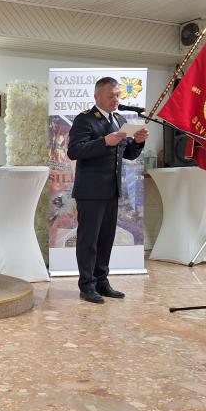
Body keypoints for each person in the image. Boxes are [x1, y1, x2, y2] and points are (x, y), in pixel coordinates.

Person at [67, 76, 148, 304]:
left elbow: (128, 154)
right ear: (97, 97)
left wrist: (138, 142)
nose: (116, 99)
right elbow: (74, 151)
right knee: (89, 241)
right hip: (90, 191)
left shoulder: (120, 119)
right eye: (111, 95)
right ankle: (87, 285)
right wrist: (104, 141)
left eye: (118, 95)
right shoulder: (85, 119)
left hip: (111, 190)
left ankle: (102, 282)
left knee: (105, 240)